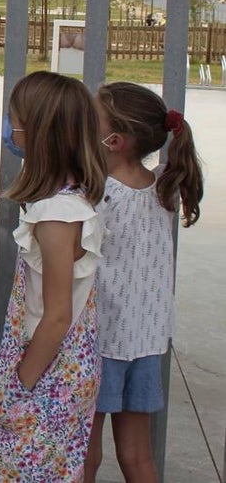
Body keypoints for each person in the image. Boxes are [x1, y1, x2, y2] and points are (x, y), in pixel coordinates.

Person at [0, 71, 107, 482]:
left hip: (49, 377)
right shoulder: (63, 203)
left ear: (38, 133)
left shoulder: (58, 216)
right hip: (57, 374)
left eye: (15, 118)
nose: (10, 126)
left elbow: (58, 314)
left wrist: (22, 384)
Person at [83, 83, 203, 483]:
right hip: (148, 343)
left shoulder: (99, 195)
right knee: (137, 456)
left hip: (101, 341)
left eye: (90, 121)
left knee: (85, 452)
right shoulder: (163, 188)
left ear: (113, 141)